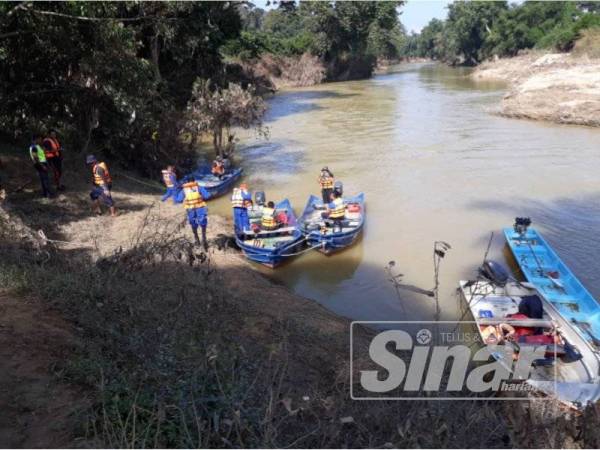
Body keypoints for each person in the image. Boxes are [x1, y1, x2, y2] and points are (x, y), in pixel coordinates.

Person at [182, 177, 211, 249]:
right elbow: (207, 195)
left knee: (193, 223)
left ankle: (196, 238)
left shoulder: (184, 189)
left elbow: (179, 199)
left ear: (187, 182)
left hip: (190, 209)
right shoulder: (199, 187)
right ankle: (204, 239)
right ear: (194, 181)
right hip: (200, 207)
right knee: (203, 223)